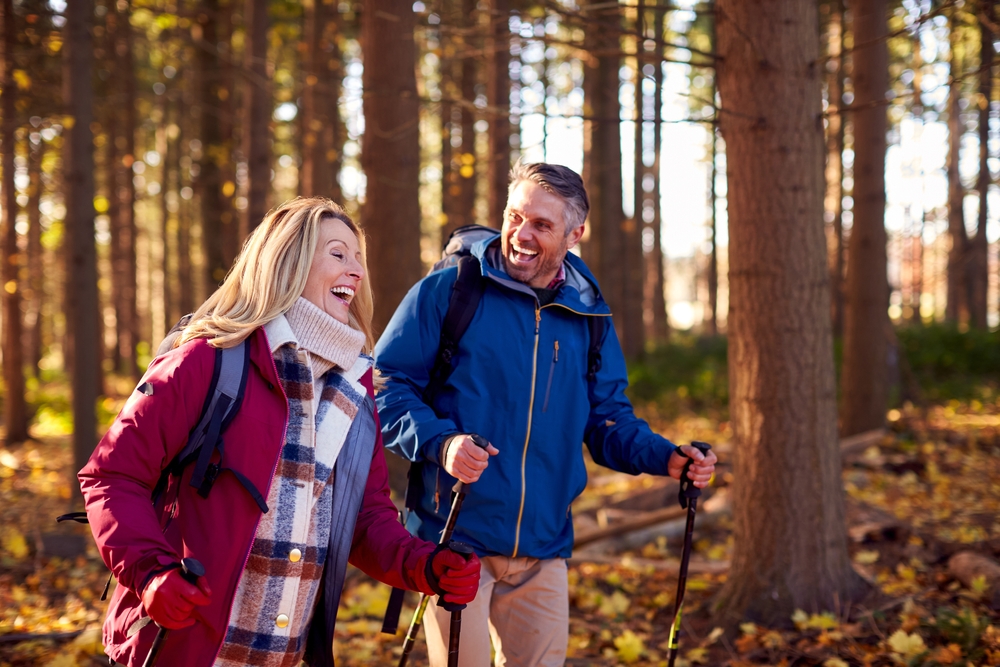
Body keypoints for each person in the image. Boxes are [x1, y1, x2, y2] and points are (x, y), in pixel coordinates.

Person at [79, 197, 481, 667]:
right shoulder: (206, 361)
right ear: (287, 261)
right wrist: (151, 573)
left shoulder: (355, 389)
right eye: (337, 253)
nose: (355, 271)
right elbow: (112, 476)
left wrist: (426, 566)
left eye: (358, 259)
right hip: (180, 648)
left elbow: (365, 519)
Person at [374, 162, 718, 667]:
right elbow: (385, 384)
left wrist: (666, 458)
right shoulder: (451, 289)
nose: (521, 234)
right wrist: (441, 443)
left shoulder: (587, 313)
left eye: (541, 224)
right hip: (454, 538)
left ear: (575, 234)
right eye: (515, 217)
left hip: (544, 547)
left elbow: (607, 420)